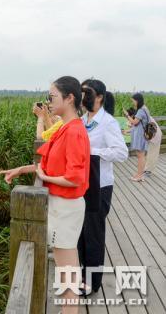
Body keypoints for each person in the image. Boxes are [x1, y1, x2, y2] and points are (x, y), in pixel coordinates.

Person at [0, 76, 90, 314]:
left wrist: (46, 179)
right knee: (66, 267)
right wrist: (21, 169)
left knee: (66, 270)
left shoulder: (74, 132)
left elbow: (75, 178)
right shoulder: (65, 128)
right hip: (61, 205)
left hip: (66, 207)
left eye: (53, 97)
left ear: (69, 98)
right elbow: (49, 164)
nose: (49, 102)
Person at [78, 79, 128, 295]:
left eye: (86, 93)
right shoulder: (81, 120)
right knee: (80, 233)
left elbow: (122, 153)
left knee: (94, 235)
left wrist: (93, 154)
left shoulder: (108, 123)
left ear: (99, 97)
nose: (82, 97)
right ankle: (81, 275)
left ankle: (93, 282)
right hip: (82, 184)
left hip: (100, 186)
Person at [123, 93, 149, 181]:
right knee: (141, 156)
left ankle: (139, 176)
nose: (133, 103)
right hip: (142, 134)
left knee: (140, 156)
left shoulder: (141, 110)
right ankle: (139, 174)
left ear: (137, 100)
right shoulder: (145, 108)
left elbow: (134, 122)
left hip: (140, 136)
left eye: (133, 101)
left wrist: (127, 115)